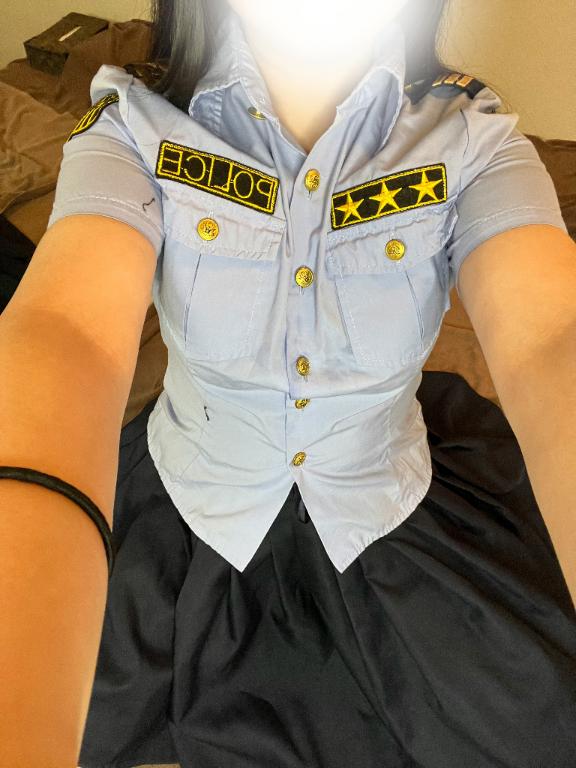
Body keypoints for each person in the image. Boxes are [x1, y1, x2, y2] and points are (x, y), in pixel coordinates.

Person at [1, 0, 575, 766]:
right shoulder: (133, 122)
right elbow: (65, 332)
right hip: (186, 504)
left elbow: (551, 339)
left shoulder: (472, 136)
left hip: (390, 502)